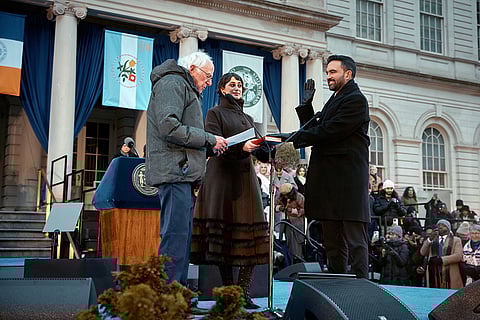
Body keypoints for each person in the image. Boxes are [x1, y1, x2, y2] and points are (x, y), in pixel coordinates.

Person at [145, 51, 228, 286]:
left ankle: (177, 292)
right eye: (207, 76)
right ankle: (169, 295)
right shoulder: (172, 83)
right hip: (174, 172)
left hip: (180, 172)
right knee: (175, 237)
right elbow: (169, 128)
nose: (210, 83)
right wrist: (209, 138)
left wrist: (212, 146)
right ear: (192, 69)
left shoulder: (181, 85)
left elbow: (182, 133)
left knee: (181, 237)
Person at [190, 72, 269, 309]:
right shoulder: (215, 113)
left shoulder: (248, 118)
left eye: (240, 85)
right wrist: (241, 148)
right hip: (222, 178)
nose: (237, 88)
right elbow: (213, 145)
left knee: (251, 235)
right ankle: (229, 291)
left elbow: (258, 149)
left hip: (245, 179)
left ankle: (243, 290)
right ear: (222, 89)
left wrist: (270, 147)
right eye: (232, 84)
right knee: (223, 238)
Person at [291, 55, 370, 278]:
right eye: (327, 72)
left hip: (347, 182)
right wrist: (306, 107)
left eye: (333, 72)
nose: (328, 76)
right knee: (332, 242)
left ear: (348, 74)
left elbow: (329, 131)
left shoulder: (355, 99)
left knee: (355, 241)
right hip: (331, 181)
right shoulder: (336, 99)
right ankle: (338, 286)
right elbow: (319, 127)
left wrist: (295, 138)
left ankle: (362, 289)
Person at [420, 219, 464, 289]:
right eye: (439, 225)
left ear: (448, 228)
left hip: (449, 272)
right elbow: (423, 252)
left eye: (443, 226)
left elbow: (458, 256)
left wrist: (441, 260)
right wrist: (429, 239)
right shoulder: (432, 239)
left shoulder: (456, 240)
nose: (440, 227)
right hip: (433, 272)